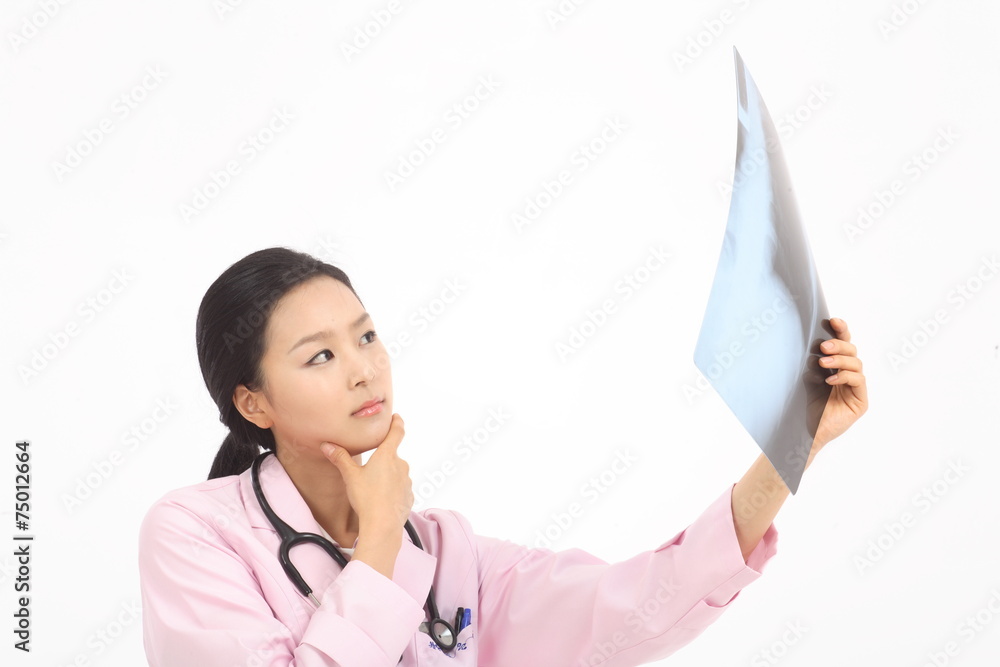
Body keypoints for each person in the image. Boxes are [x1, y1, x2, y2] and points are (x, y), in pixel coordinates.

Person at [137, 246, 868, 666]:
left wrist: (791, 445)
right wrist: (380, 538)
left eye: (365, 337)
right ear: (253, 403)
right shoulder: (194, 534)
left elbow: (632, 606)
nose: (363, 369)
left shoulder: (448, 554)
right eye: (320, 355)